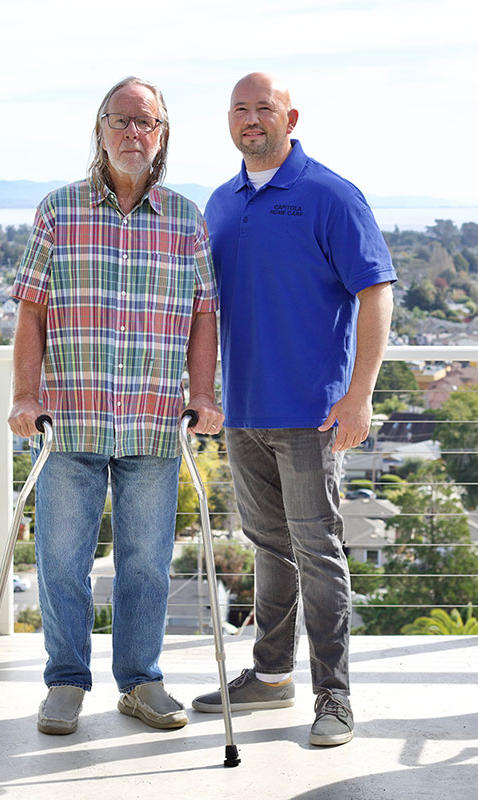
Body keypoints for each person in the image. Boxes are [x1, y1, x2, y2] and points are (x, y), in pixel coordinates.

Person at [8, 76, 223, 735]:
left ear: (161, 137)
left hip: (154, 421)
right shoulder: (58, 210)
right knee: (62, 564)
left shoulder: (187, 220)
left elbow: (204, 316)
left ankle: (140, 682)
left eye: (147, 124)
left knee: (145, 565)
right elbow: (31, 311)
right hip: (69, 419)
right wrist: (23, 393)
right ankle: (66, 683)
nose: (135, 133)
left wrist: (204, 393)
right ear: (99, 129)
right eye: (122, 121)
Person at [192, 73, 396, 746]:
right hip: (242, 412)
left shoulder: (329, 195)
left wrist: (359, 393)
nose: (251, 120)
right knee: (268, 549)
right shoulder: (220, 204)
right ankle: (271, 675)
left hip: (311, 411)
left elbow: (374, 291)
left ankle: (333, 698)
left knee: (317, 553)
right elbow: (203, 309)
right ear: (229, 121)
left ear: (289, 116)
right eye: (240, 111)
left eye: (264, 109)